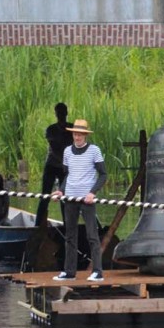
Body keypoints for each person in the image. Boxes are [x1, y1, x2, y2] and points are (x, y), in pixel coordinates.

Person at [52, 118, 107, 282]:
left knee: (92, 234)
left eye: (80, 134)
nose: (77, 137)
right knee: (70, 235)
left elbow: (103, 174)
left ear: (85, 135)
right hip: (70, 198)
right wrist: (61, 191)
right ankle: (69, 272)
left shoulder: (94, 151)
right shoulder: (67, 151)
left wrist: (93, 192)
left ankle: (98, 272)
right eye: (75, 134)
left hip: (86, 199)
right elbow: (67, 175)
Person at [37, 102, 73, 226]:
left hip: (64, 167)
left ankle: (66, 225)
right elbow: (54, 148)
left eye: (63, 113)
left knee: (65, 198)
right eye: (59, 113)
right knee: (45, 196)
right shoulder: (51, 129)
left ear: (66, 113)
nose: (61, 116)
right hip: (52, 166)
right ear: (56, 114)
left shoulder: (71, 129)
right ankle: (38, 224)